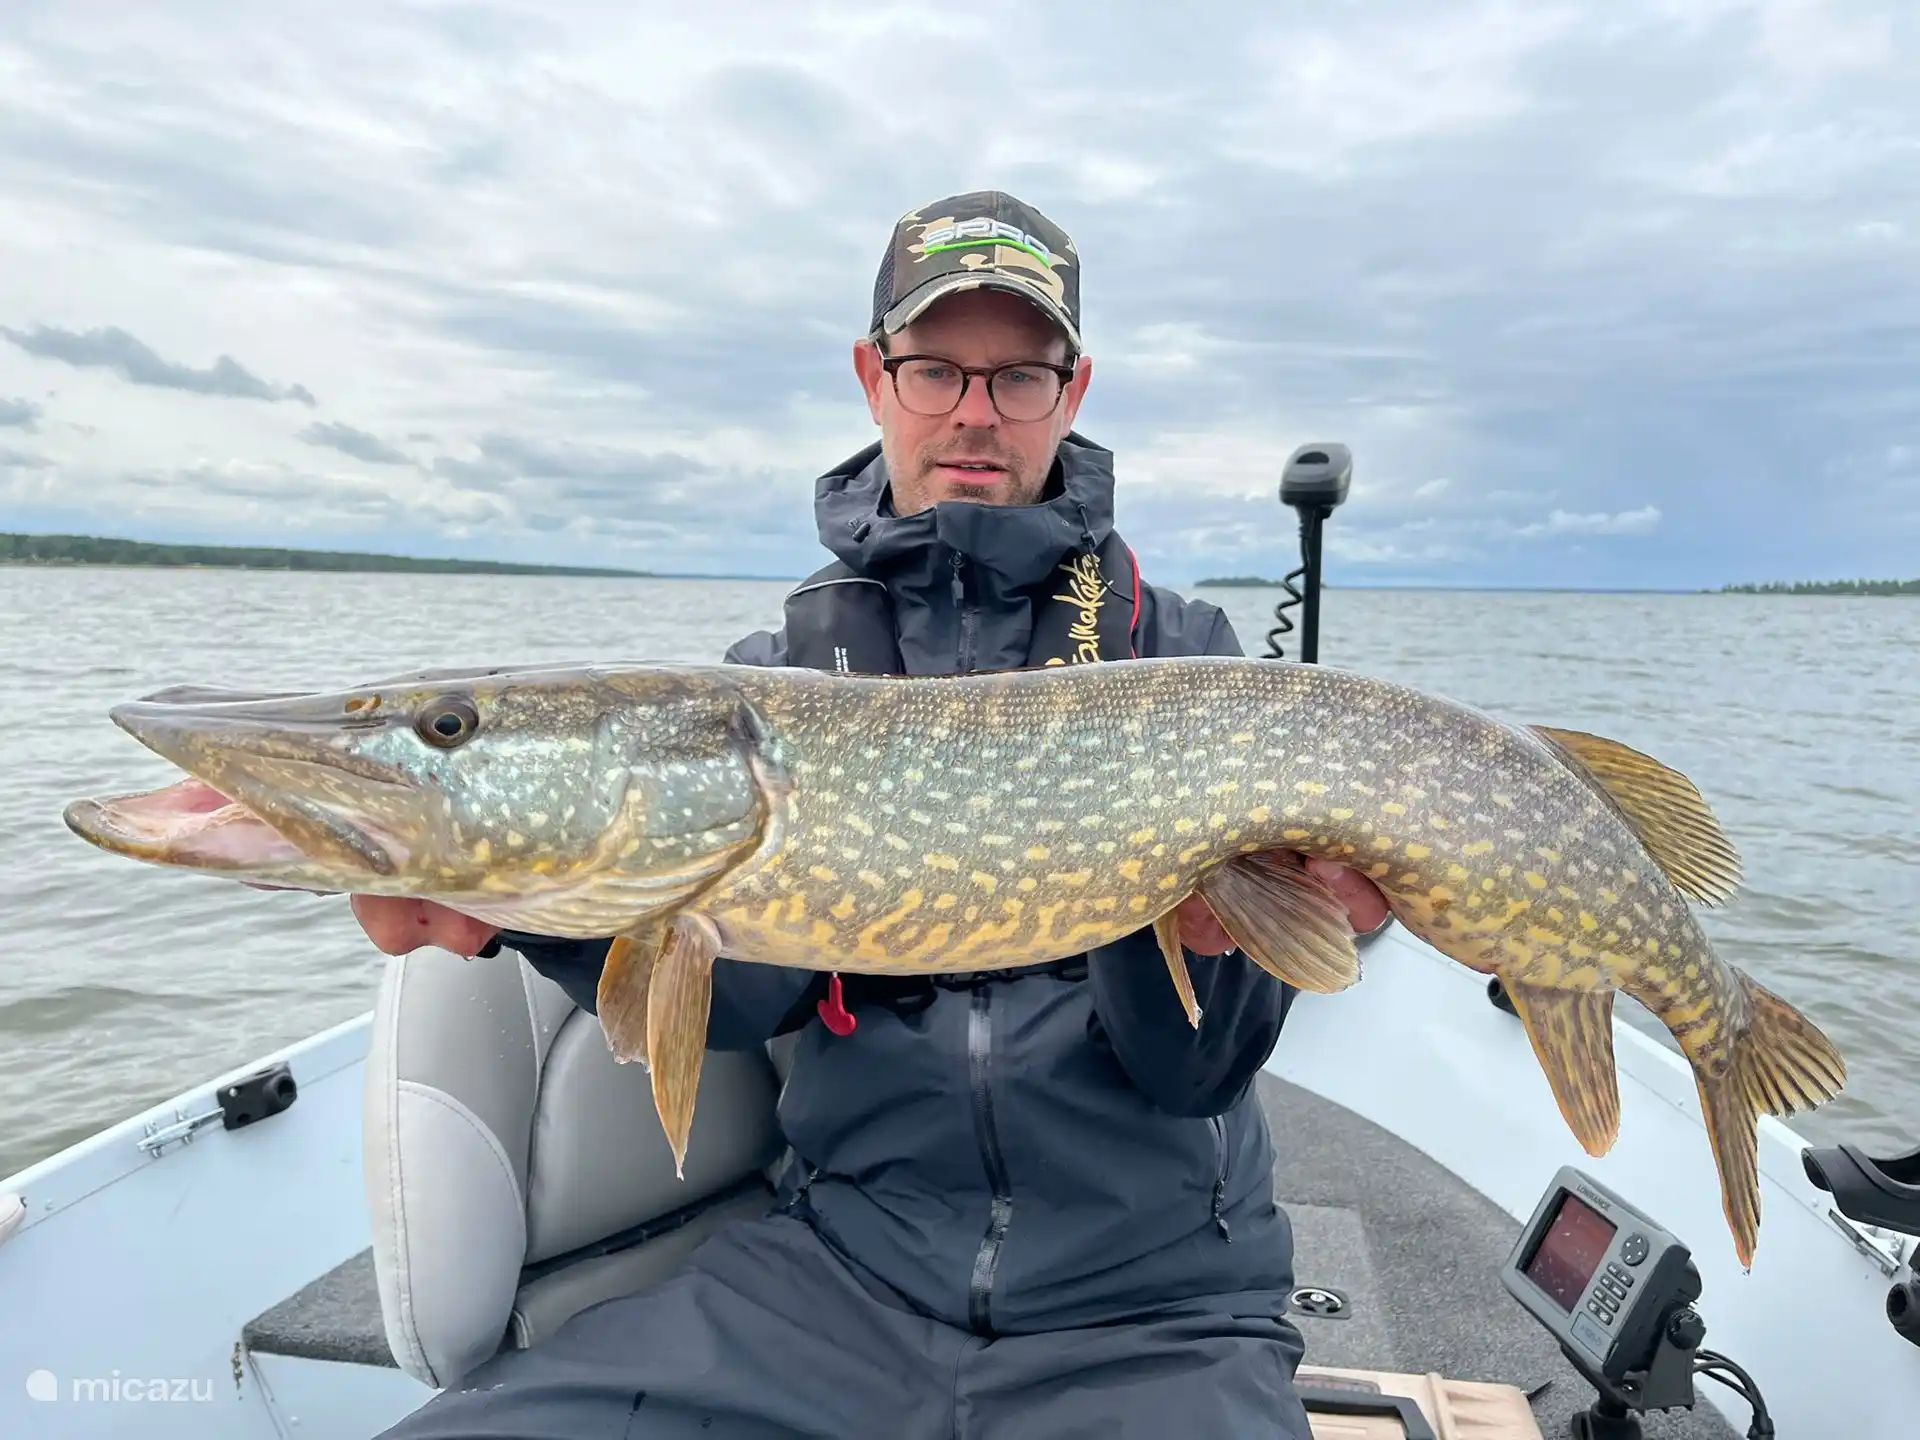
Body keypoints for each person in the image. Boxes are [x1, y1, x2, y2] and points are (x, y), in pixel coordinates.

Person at [363, 190, 1389, 1439]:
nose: (972, 411)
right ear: (873, 375)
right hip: (839, 1285)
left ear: (1073, 390)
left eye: (1017, 376)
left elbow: (1199, 1072)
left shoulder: (1183, 656)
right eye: (935, 368)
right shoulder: (782, 671)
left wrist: (1210, 930)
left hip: (1155, 1316)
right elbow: (747, 1000)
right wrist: (530, 907)